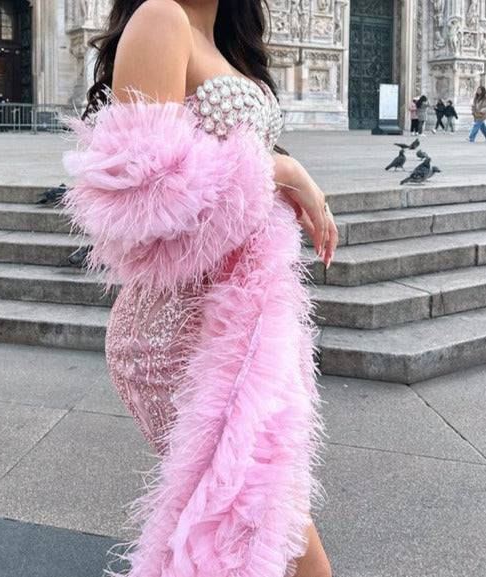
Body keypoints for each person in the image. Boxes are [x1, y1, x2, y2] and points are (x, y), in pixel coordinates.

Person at [61, 2, 337, 577]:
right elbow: (143, 197)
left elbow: (222, 153)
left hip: (243, 326)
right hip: (175, 335)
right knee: (261, 540)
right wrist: (284, 173)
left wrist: (279, 168)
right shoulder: (161, 17)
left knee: (247, 537)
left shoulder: (223, 41)